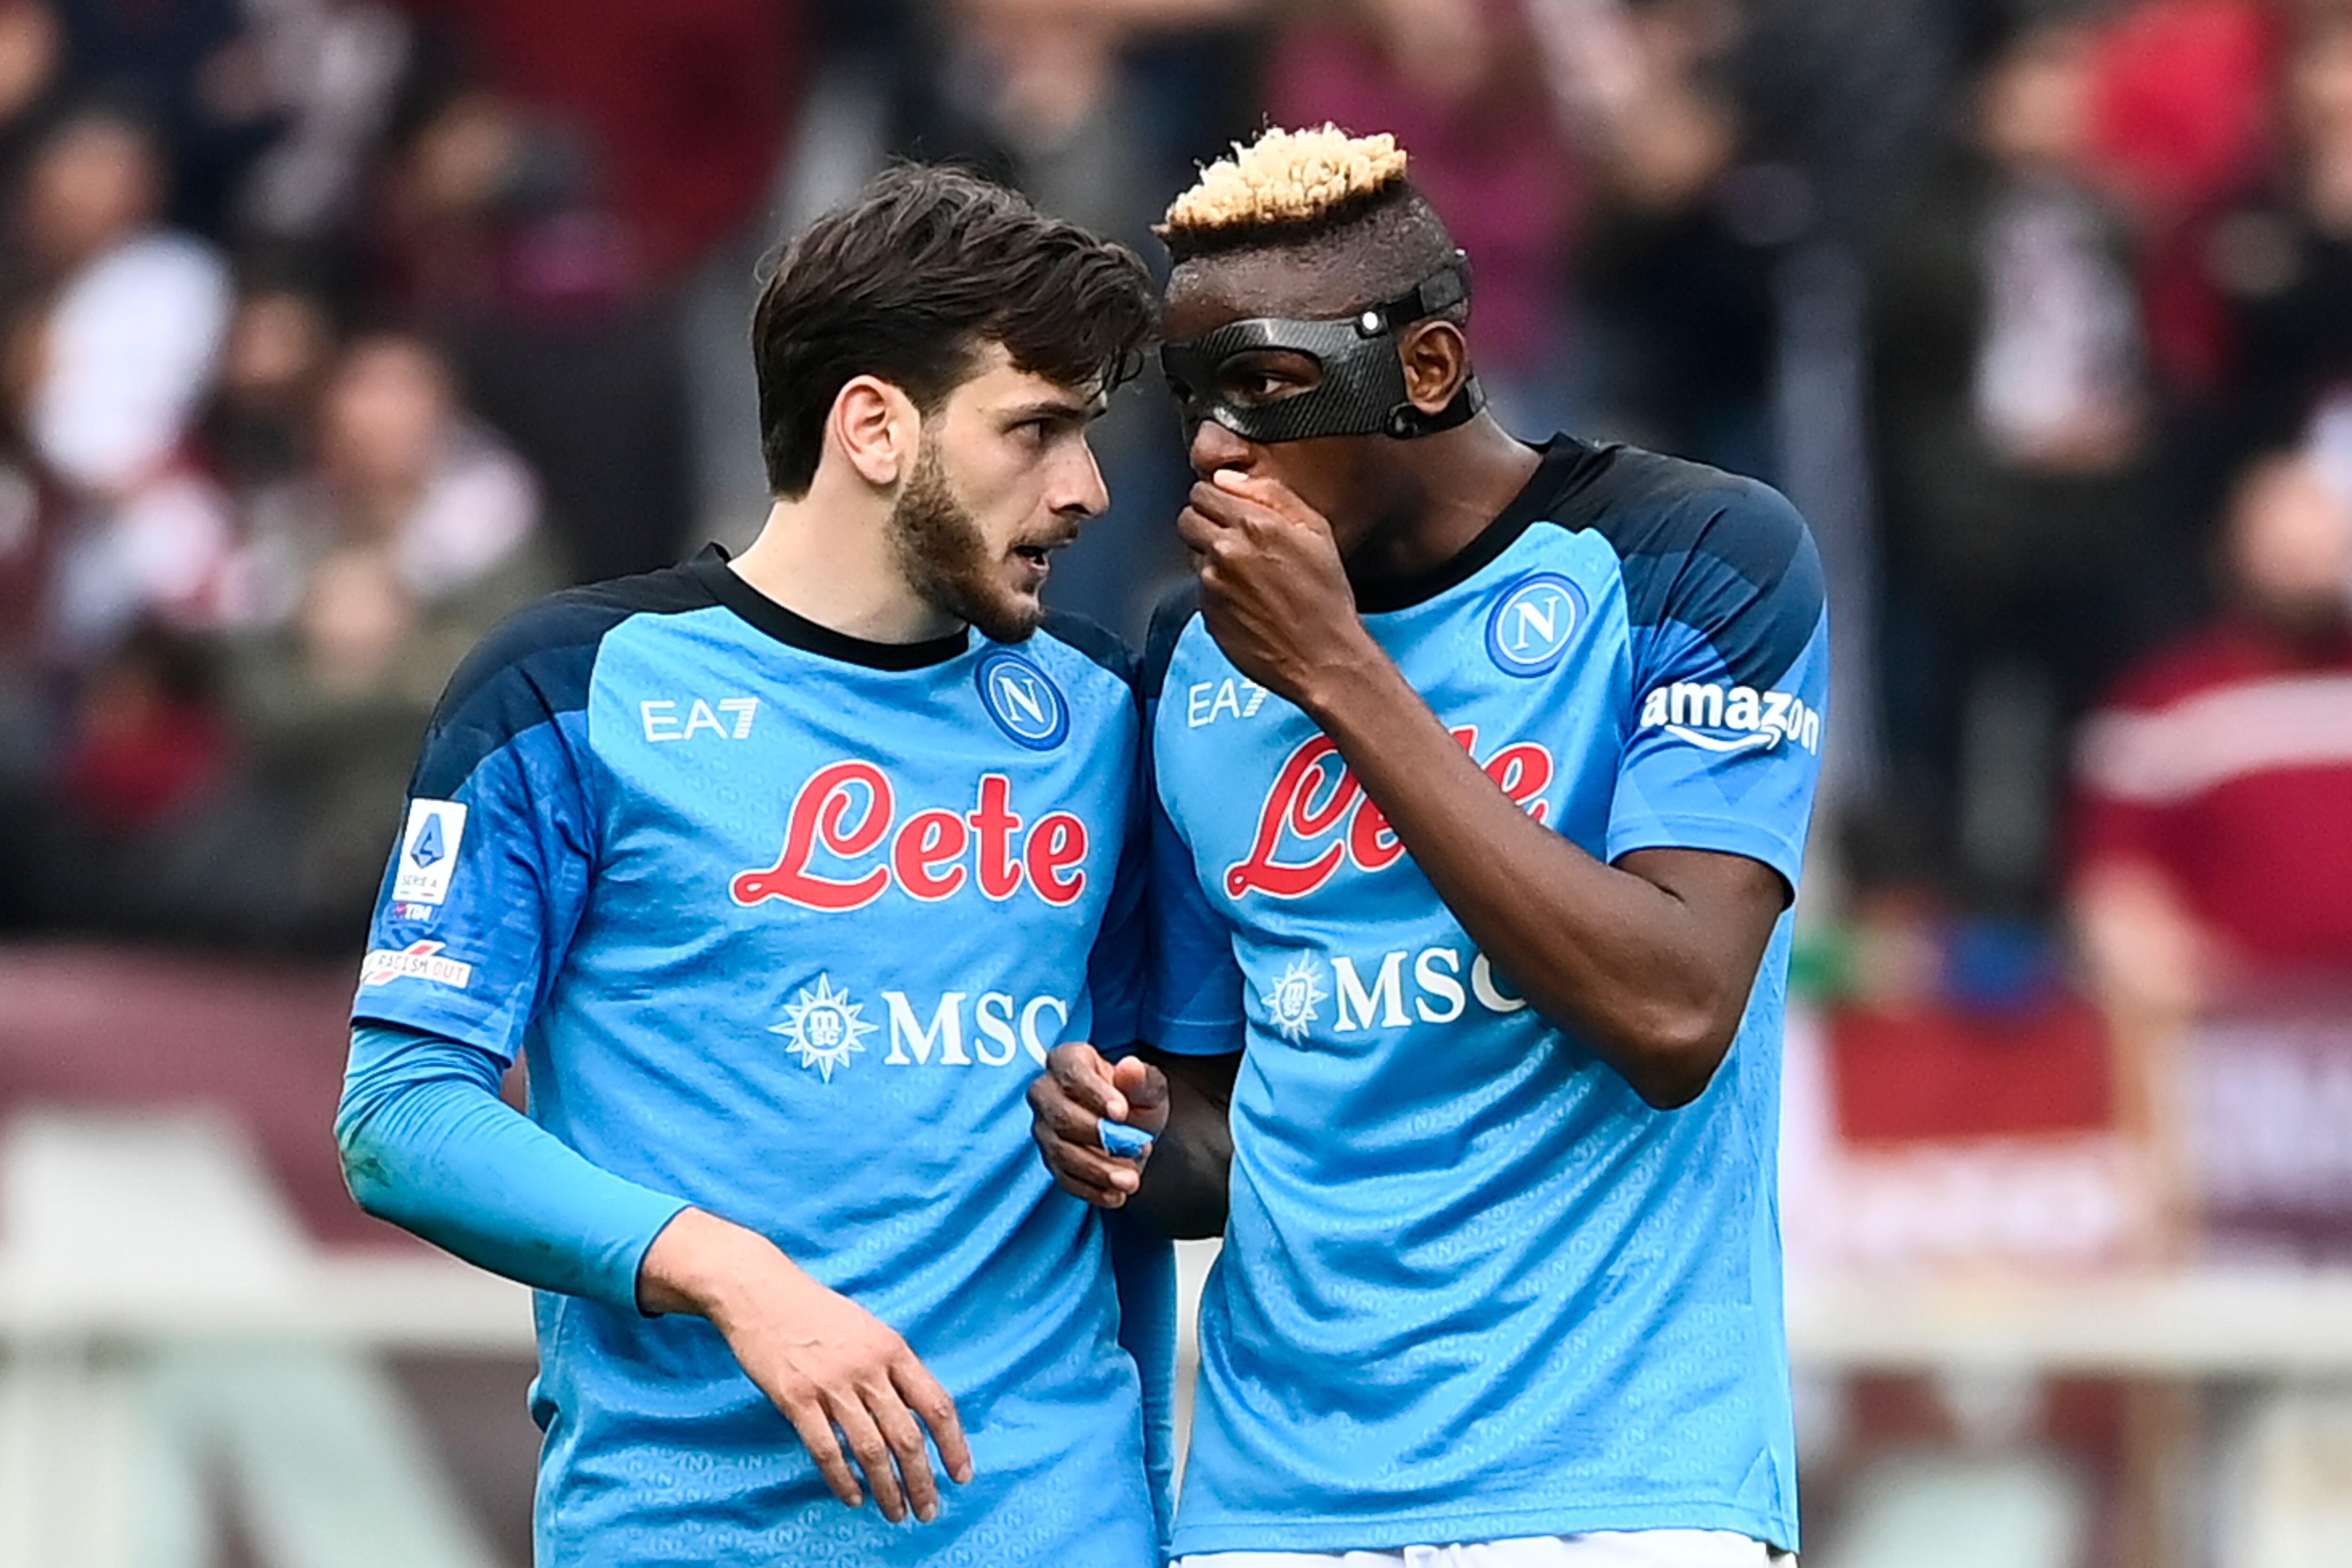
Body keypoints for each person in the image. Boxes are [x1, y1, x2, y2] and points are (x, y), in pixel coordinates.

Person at [334, 164, 1167, 1565]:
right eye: (1037, 429)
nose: (1084, 489)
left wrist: (1127, 1119)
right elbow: (401, 1115)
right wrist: (733, 1275)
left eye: (1088, 433)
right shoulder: (568, 692)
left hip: (1052, 1526)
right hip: (684, 1530)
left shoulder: (1101, 713)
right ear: (873, 427)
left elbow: (1146, 1166)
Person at [1030, 126, 1824, 1565]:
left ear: (1429, 371)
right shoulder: (1189, 661)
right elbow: (1213, 1123)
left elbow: (1674, 1010)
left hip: (1619, 1491)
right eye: (1198, 399)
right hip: (1272, 1501)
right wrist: (1125, 1139)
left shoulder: (1698, 557)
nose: (1218, 444)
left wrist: (1340, 675)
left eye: (1267, 387)